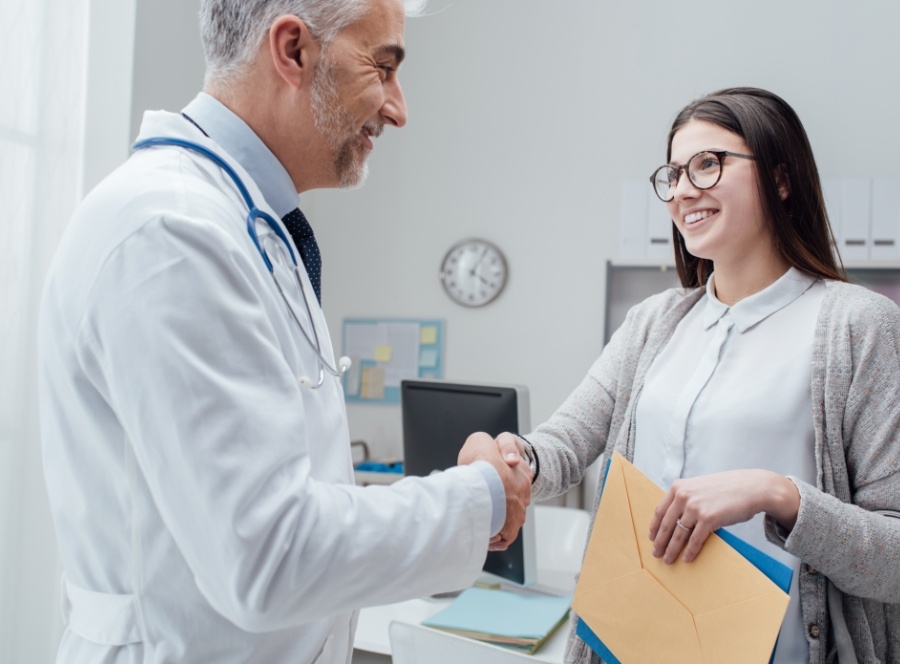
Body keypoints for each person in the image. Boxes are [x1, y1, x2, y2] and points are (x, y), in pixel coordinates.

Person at [37, 1, 533, 662]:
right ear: (293, 50)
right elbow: (269, 555)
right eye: (382, 69)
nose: (397, 108)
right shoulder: (171, 233)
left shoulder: (252, 226)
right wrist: (478, 497)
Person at [497, 87, 900, 663]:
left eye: (708, 164)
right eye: (674, 173)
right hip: (632, 646)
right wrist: (510, 459)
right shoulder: (655, 323)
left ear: (782, 179)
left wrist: (777, 495)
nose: (684, 189)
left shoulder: (858, 326)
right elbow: (561, 445)